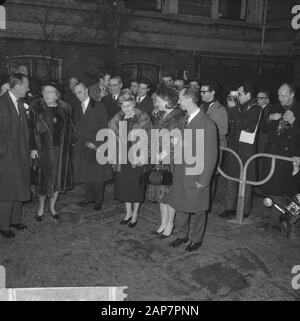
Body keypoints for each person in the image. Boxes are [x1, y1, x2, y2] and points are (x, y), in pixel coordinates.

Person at [168, 85, 218, 252]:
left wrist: (204, 180)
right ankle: (181, 235)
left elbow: (211, 155)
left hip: (197, 173)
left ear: (189, 99)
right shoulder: (184, 119)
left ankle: (196, 239)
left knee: (198, 209)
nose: (179, 101)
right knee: (180, 204)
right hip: (182, 170)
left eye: (181, 98)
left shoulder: (207, 124)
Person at [29, 82, 74, 221]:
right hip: (42, 150)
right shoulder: (36, 106)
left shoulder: (65, 107)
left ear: (57, 94)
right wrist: (32, 148)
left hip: (60, 150)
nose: (46, 94)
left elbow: (70, 128)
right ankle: (41, 207)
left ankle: (52, 207)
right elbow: (30, 128)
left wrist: (71, 143)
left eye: (50, 92)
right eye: (44, 91)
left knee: (57, 180)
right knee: (43, 180)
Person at [108, 90, 152, 227]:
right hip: (122, 157)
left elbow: (149, 138)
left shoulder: (143, 118)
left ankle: (135, 214)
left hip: (136, 156)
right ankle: (127, 212)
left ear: (134, 104)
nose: (125, 109)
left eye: (128, 105)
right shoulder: (117, 118)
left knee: (136, 186)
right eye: (122, 106)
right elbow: (111, 134)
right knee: (124, 185)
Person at [148, 83, 185, 237]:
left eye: (159, 99)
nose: (156, 101)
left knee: (169, 196)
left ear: (168, 100)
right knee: (160, 194)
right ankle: (163, 222)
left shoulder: (178, 117)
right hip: (158, 159)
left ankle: (170, 224)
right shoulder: (160, 114)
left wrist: (163, 154)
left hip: (170, 162)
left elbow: (177, 139)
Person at [261, 83, 300, 232]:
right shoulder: (275, 107)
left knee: (290, 190)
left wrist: (293, 123)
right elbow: (264, 129)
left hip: (290, 155)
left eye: (283, 95)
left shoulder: (298, 110)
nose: (280, 98)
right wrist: (270, 117)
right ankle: (276, 220)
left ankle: (287, 220)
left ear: (292, 94)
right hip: (273, 154)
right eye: (278, 95)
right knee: (273, 189)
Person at [219, 82, 261, 220]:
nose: (238, 96)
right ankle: (229, 208)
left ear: (249, 94)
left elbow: (244, 124)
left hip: (246, 150)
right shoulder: (239, 106)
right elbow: (231, 121)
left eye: (240, 94)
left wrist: (234, 109)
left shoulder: (256, 108)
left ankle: (244, 210)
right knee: (231, 178)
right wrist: (231, 107)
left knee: (246, 181)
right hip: (234, 147)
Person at [74, 82, 113, 211]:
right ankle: (88, 197)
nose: (77, 95)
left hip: (96, 145)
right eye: (75, 93)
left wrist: (96, 144)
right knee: (86, 174)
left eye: (79, 92)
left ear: (86, 91)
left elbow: (104, 127)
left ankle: (98, 200)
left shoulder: (98, 106)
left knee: (97, 175)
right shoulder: (76, 107)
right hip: (82, 146)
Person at [0, 73, 31, 238]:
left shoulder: (20, 102)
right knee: (7, 191)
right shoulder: (2, 102)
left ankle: (15, 220)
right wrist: (4, 151)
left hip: (21, 153)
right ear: (18, 86)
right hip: (7, 156)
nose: (28, 88)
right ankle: (3, 225)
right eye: (26, 85)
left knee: (20, 186)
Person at [199, 80, 228, 208]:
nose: (202, 94)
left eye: (204, 92)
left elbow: (224, 130)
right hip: (200, 146)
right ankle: (199, 201)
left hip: (214, 147)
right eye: (201, 92)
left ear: (213, 92)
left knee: (210, 176)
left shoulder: (220, 110)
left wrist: (208, 125)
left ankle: (207, 204)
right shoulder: (201, 107)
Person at [256, 89, 272, 179]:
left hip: (264, 140)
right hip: (257, 139)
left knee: (262, 161)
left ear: (267, 100)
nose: (258, 100)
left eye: (261, 98)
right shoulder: (256, 108)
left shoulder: (270, 109)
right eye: (257, 98)